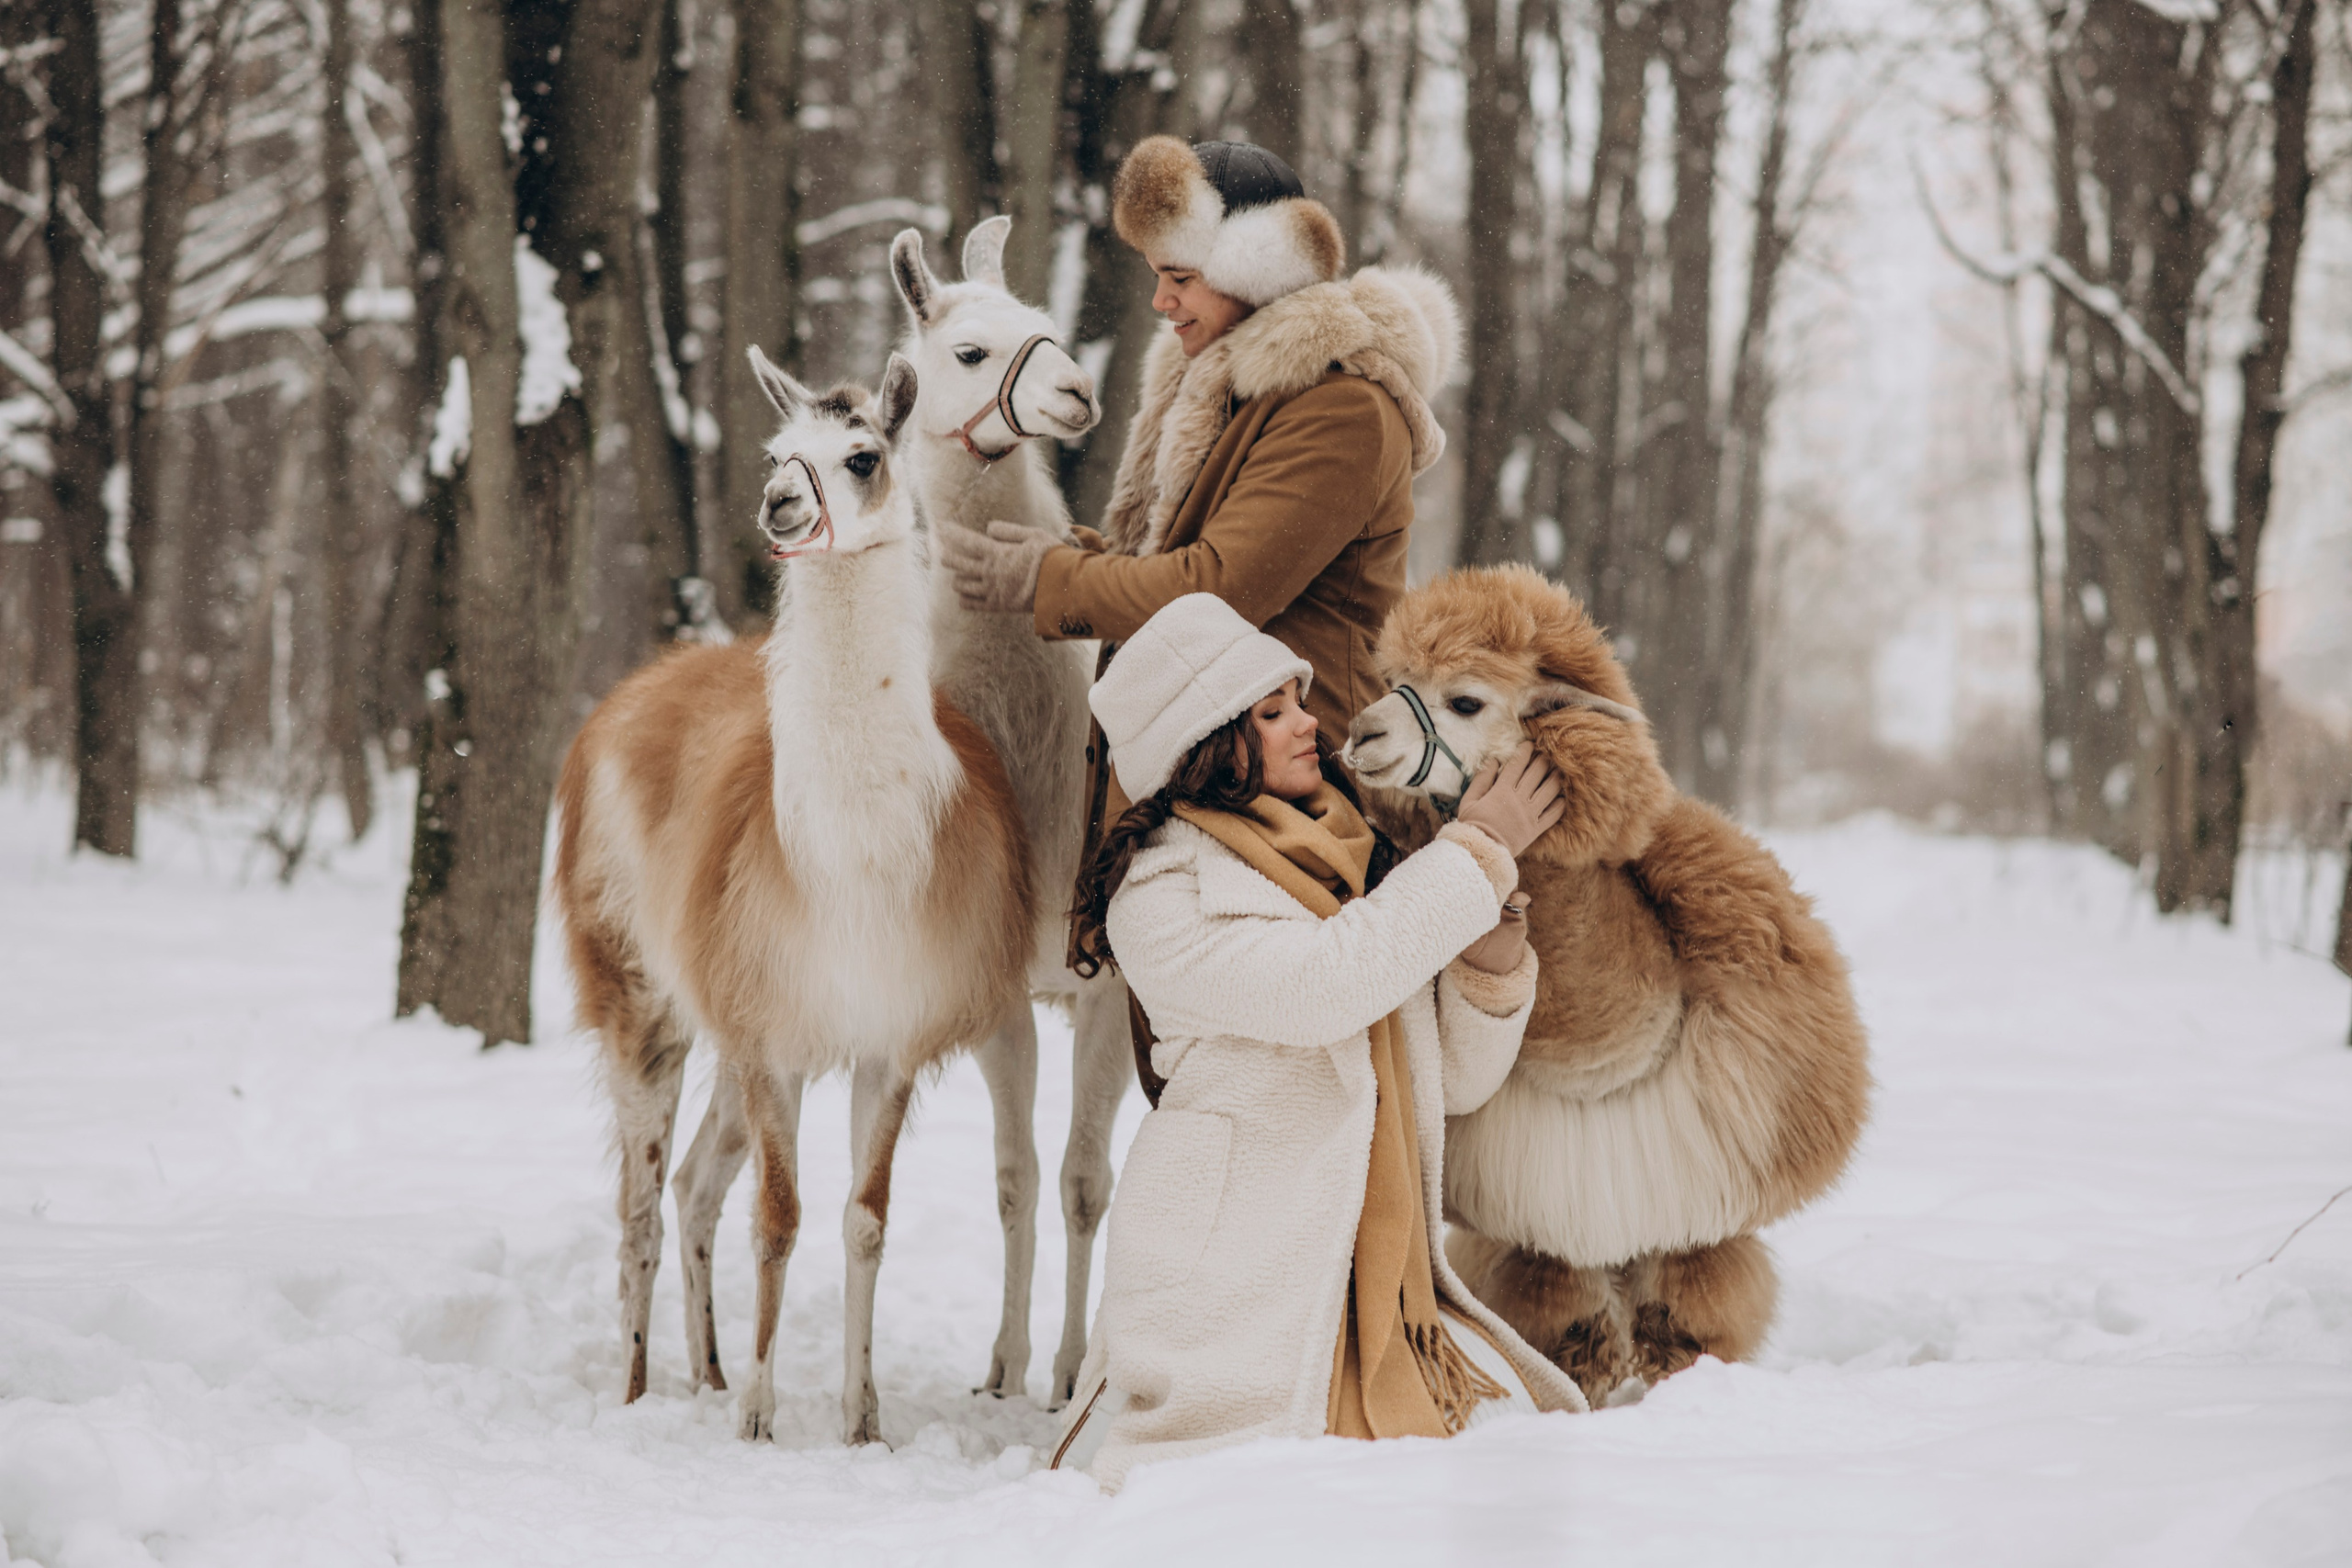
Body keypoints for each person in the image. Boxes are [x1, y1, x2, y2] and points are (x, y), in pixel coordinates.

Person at [935, 135, 1460, 1089]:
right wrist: (1070, 562)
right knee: (1220, 1102)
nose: (1159, 301)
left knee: (1283, 1109)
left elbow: (1215, 593)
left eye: (1177, 276)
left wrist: (1049, 583)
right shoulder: (1235, 395)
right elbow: (1179, 568)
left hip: (1302, 815)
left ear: (1255, 266)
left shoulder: (1336, 409)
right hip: (1231, 799)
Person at [1048, 595, 1589, 1490]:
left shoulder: (1355, 865)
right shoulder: (1157, 895)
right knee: (1268, 1481)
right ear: (1207, 740)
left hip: (1356, 1264)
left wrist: (1490, 967)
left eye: (1299, 700)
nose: (1311, 723)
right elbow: (1320, 990)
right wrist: (1479, 848)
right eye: (1274, 712)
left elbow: (1446, 1081)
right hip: (1231, 1278)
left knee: (1502, 1455)